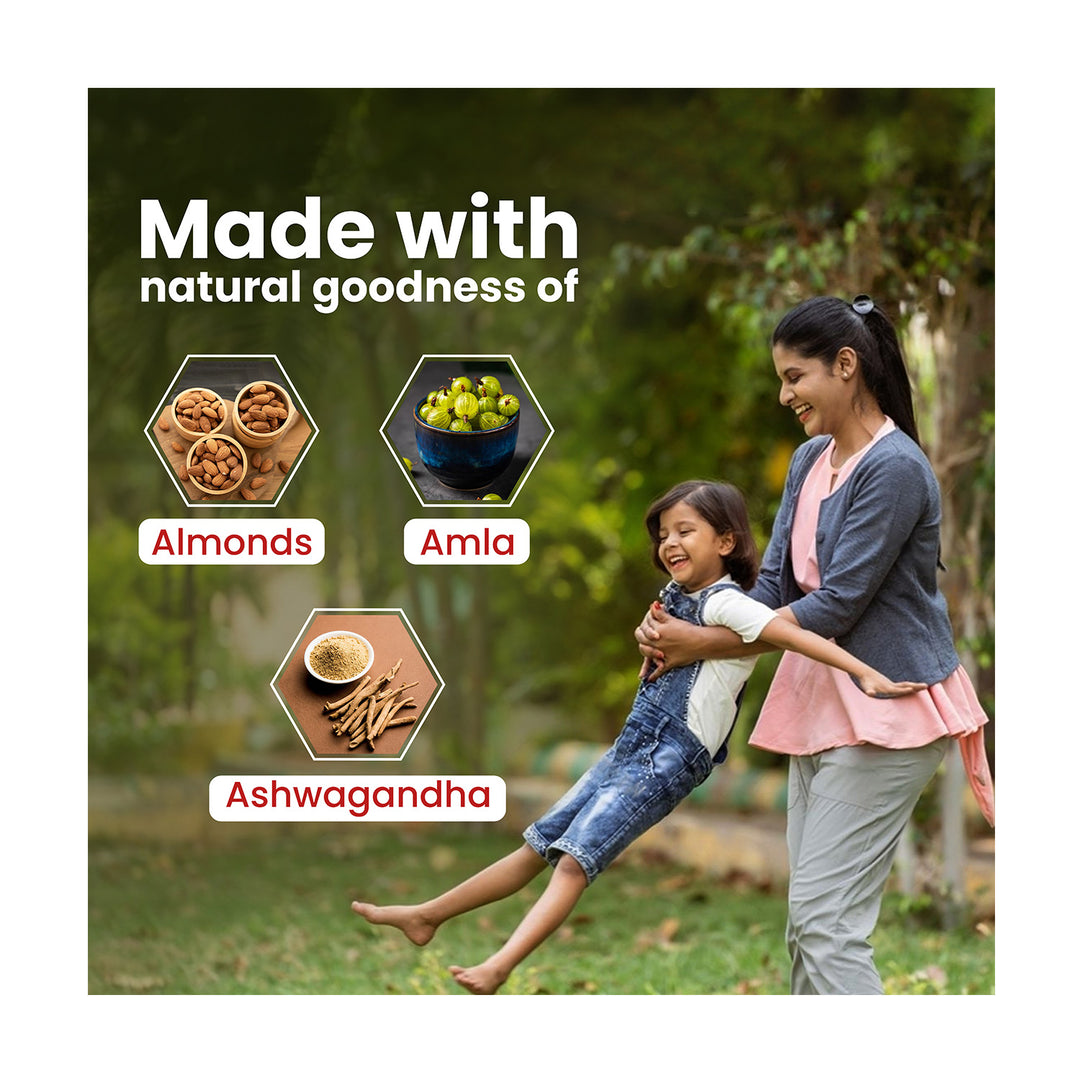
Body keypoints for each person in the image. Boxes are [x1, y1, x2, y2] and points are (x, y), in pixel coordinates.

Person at [353, 478, 925, 994]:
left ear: (726, 541)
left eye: (686, 531)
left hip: (671, 754)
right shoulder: (676, 600)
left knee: (576, 860)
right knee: (537, 845)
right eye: (663, 535)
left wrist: (863, 670)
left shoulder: (729, 603)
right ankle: (428, 914)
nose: (669, 544)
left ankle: (501, 965)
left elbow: (793, 636)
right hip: (634, 744)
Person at [636, 294, 995, 995]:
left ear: (846, 366)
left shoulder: (895, 468)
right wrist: (677, 623)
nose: (784, 394)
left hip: (892, 704)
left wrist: (701, 645)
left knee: (827, 921)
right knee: (810, 924)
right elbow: (772, 586)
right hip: (822, 702)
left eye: (795, 377)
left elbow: (837, 604)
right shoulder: (810, 459)